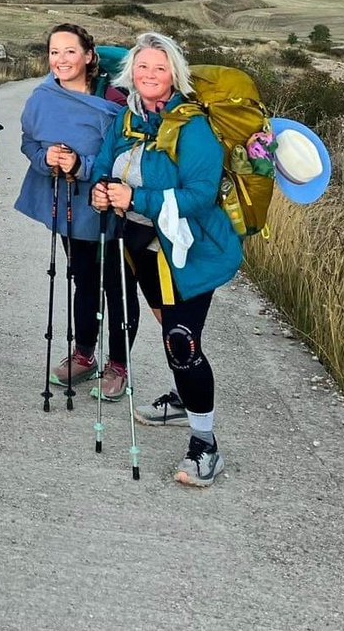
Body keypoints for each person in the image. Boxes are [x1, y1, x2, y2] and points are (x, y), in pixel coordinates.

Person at [90, 31, 243, 488]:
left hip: (190, 252)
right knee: (166, 320)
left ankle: (205, 445)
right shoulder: (127, 117)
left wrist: (136, 195)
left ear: (174, 73)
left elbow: (198, 196)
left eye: (159, 67)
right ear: (130, 73)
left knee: (181, 340)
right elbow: (104, 164)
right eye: (142, 67)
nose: (149, 75)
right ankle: (182, 398)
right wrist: (101, 190)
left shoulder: (192, 126)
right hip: (142, 248)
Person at [15, 24, 126, 395]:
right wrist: (46, 158)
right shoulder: (42, 98)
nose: (61, 59)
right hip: (70, 206)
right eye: (54, 52)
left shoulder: (114, 99)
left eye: (70, 51)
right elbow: (29, 142)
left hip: (114, 204)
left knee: (117, 284)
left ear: (89, 56)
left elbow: (127, 155)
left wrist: (83, 166)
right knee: (83, 277)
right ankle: (84, 355)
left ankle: (119, 366)